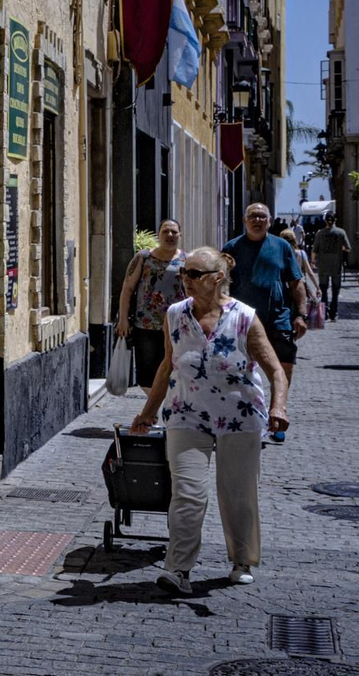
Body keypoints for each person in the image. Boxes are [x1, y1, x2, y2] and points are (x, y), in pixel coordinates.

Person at [131, 247, 291, 595]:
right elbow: (167, 366)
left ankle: (242, 561)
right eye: (183, 272)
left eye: (194, 274)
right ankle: (178, 569)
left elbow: (276, 370)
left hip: (240, 417)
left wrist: (279, 407)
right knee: (187, 493)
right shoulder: (175, 314)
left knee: (238, 494)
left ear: (218, 278)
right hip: (186, 414)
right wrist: (147, 413)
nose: (185, 279)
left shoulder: (244, 317)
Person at [222, 202, 307, 390]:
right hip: (242, 320)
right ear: (245, 221)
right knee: (238, 368)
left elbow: (296, 283)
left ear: (269, 221)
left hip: (278, 318)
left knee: (284, 366)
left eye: (262, 216)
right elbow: (221, 285)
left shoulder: (282, 246)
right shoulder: (232, 248)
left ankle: (278, 404)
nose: (257, 220)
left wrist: (301, 315)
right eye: (253, 216)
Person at [115, 220, 188, 389]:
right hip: (145, 325)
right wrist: (123, 319)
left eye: (174, 232)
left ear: (180, 235)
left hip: (176, 325)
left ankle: (164, 404)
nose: (170, 235)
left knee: (174, 370)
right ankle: (155, 403)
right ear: (158, 234)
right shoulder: (144, 257)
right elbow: (127, 288)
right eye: (165, 231)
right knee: (146, 374)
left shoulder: (187, 260)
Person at [313, 214, 351, 319]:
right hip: (336, 264)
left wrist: (313, 261)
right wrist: (341, 248)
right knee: (335, 289)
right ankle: (334, 312)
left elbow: (315, 249)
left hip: (323, 264)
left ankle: (324, 312)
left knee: (323, 288)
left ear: (325, 221)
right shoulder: (341, 232)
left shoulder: (320, 233)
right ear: (335, 220)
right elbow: (348, 248)